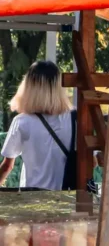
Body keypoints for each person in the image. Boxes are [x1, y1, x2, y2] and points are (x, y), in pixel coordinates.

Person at [0, 60, 74, 190]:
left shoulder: (22, 122)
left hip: (33, 198)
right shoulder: (75, 119)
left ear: (28, 87)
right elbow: (92, 161)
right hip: (67, 196)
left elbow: (7, 166)